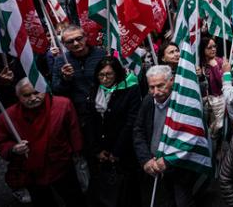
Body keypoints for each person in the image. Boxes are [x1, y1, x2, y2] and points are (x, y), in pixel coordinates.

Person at [0, 78, 85, 207]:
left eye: (37, 92)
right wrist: (13, 148)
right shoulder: (7, 117)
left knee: (74, 199)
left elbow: (74, 132)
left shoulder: (63, 105)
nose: (33, 97)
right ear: (18, 96)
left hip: (61, 165)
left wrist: (78, 156)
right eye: (27, 95)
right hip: (32, 172)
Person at [133, 65, 198, 207]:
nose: (155, 92)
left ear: (171, 81)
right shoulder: (148, 101)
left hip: (180, 169)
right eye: (151, 87)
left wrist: (169, 161)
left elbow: (192, 136)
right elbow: (138, 130)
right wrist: (146, 160)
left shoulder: (184, 103)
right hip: (154, 165)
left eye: (160, 86)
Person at [86, 57, 141, 206]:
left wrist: (116, 152)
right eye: (101, 75)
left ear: (117, 73)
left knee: (128, 193)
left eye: (109, 74)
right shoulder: (94, 89)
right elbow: (90, 121)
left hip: (124, 150)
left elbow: (131, 123)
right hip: (102, 149)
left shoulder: (130, 90)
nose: (104, 79)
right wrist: (97, 150)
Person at [52, 25, 107, 127]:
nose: (76, 43)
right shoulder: (60, 61)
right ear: (64, 44)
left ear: (85, 37)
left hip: (104, 110)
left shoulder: (102, 55)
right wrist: (66, 79)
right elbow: (56, 90)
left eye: (79, 39)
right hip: (77, 115)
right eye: (70, 41)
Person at [199, 36, 225, 135]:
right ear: (203, 49)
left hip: (217, 99)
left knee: (218, 125)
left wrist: (215, 67)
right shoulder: (199, 63)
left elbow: (223, 83)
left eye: (214, 46)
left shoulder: (219, 62)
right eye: (209, 47)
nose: (213, 49)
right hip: (205, 100)